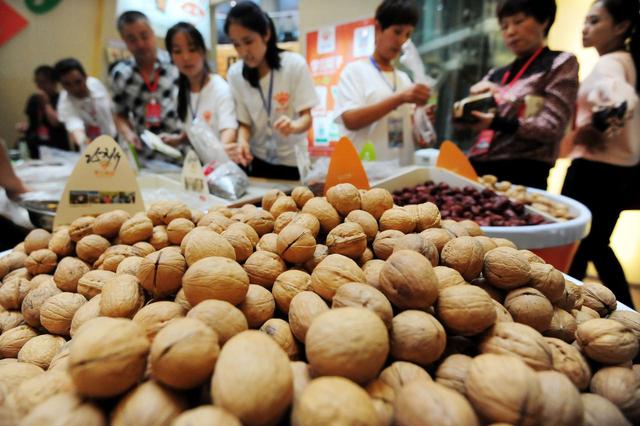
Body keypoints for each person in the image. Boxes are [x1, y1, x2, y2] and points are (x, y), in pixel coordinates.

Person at [562, 0, 639, 308]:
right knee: (591, 245)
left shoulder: (610, 63)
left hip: (594, 169)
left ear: (621, 27)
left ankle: (627, 314)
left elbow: (619, 101)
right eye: (585, 20)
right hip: (618, 171)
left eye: (595, 21)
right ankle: (573, 305)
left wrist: (596, 127)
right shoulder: (627, 62)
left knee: (581, 242)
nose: (585, 28)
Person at [460, 0, 579, 189]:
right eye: (504, 26)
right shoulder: (496, 74)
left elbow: (552, 127)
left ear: (544, 20)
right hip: (477, 166)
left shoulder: (559, 62)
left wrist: (497, 122)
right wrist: (467, 110)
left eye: (518, 21)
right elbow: (467, 129)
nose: (510, 31)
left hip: (523, 172)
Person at [224, 1, 319, 180]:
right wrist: (242, 141)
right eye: (236, 44)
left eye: (248, 41)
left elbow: (306, 118)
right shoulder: (235, 74)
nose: (243, 51)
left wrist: (293, 126)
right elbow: (245, 123)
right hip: (257, 162)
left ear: (266, 33)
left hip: (292, 162)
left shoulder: (293, 65)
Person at [333, 0, 430, 166]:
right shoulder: (355, 71)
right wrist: (399, 98)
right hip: (367, 173)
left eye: (408, 35)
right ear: (378, 28)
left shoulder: (404, 79)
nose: (402, 41)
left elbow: (414, 137)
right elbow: (350, 120)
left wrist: (422, 121)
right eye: (397, 32)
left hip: (403, 172)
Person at [110, 11, 181, 150]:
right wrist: (127, 133)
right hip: (145, 152)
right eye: (132, 39)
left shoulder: (175, 64)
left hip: (180, 150)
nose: (140, 44)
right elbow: (119, 114)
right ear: (124, 41)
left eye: (144, 35)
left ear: (152, 32)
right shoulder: (121, 74)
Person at [165, 22, 238, 156]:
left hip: (224, 165)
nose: (186, 57)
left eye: (192, 49)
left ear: (203, 51)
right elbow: (196, 129)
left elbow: (229, 130)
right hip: (202, 166)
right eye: (177, 51)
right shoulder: (180, 91)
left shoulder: (220, 89)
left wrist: (224, 149)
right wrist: (179, 139)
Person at [54, 58, 117, 149]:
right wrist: (85, 142)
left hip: (115, 138)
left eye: (78, 82)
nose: (75, 88)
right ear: (61, 85)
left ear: (85, 77)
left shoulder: (95, 84)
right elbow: (75, 129)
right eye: (67, 84)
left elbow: (111, 109)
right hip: (91, 147)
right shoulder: (64, 104)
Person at [16, 66, 70, 158]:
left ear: (54, 83)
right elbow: (32, 124)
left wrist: (46, 104)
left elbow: (56, 123)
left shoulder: (62, 98)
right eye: (37, 82)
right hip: (36, 147)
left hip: (57, 147)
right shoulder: (33, 99)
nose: (40, 86)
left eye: (44, 82)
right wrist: (24, 126)